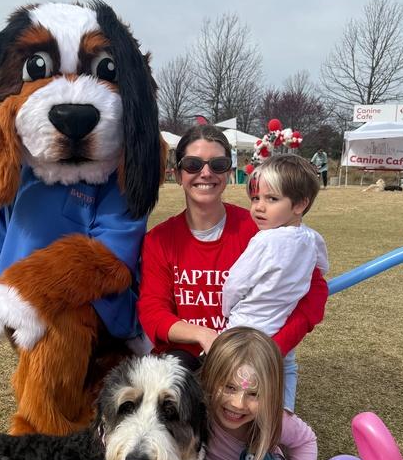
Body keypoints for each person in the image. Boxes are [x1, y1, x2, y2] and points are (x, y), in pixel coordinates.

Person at [137, 124, 328, 371]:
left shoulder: (264, 229)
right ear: (178, 174)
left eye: (218, 165)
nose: (206, 173)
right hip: (186, 360)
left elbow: (314, 293)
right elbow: (153, 311)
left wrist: (272, 349)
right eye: (193, 164)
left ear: (228, 172)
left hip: (252, 357)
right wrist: (203, 335)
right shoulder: (160, 239)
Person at [222, 155, 328, 411]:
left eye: (271, 199)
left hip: (245, 330)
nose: (259, 207)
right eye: (255, 198)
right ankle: (284, 414)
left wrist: (227, 310)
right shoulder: (313, 239)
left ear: (300, 204)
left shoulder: (264, 241)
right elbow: (322, 269)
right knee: (286, 367)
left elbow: (235, 283)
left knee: (235, 382)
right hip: (280, 326)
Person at [201, 327, 317, 460]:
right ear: (209, 378)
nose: (238, 404)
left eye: (254, 394)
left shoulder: (273, 417)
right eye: (229, 387)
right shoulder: (198, 414)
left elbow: (305, 441)